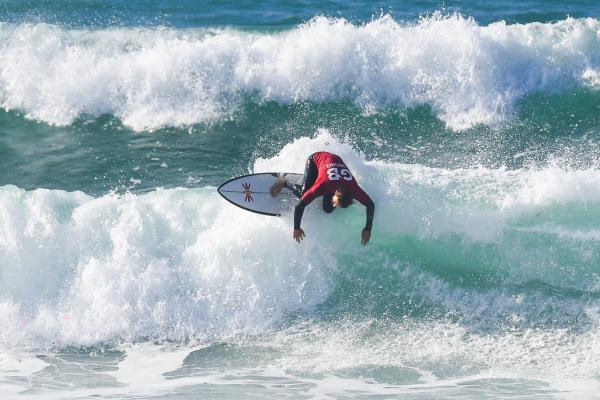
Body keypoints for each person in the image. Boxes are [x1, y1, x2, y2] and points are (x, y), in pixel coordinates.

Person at [272, 151, 375, 245]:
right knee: (303, 193)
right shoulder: (324, 186)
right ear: (336, 193)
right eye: (337, 203)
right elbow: (300, 206)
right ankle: (284, 183)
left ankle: (319, 176)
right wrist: (296, 228)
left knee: (328, 209)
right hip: (317, 159)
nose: (335, 205)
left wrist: (368, 229)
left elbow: (370, 205)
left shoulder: (354, 189)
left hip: (336, 161)